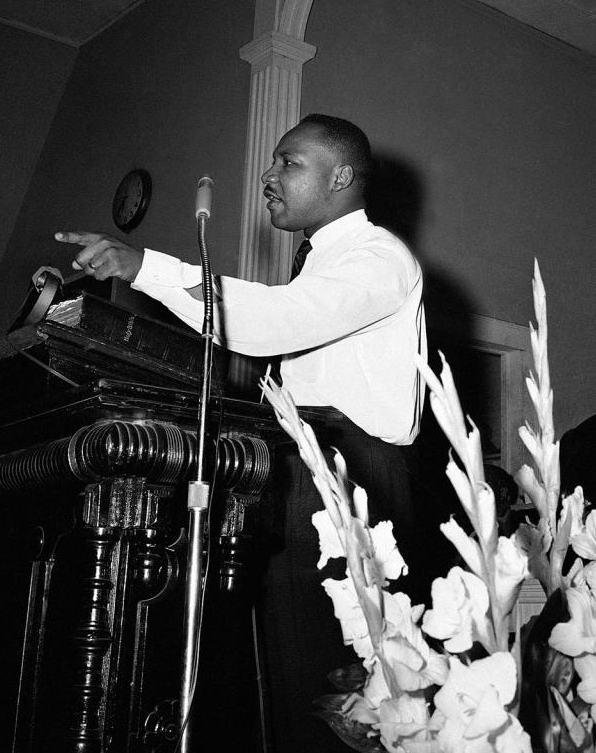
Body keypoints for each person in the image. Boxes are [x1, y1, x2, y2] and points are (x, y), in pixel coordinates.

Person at [56, 114, 427, 752]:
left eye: (289, 162)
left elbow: (270, 325)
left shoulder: (378, 257)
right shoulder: (324, 264)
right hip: (305, 469)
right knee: (287, 684)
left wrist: (149, 269)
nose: (269, 174)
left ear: (340, 176)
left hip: (352, 480)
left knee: (335, 690)